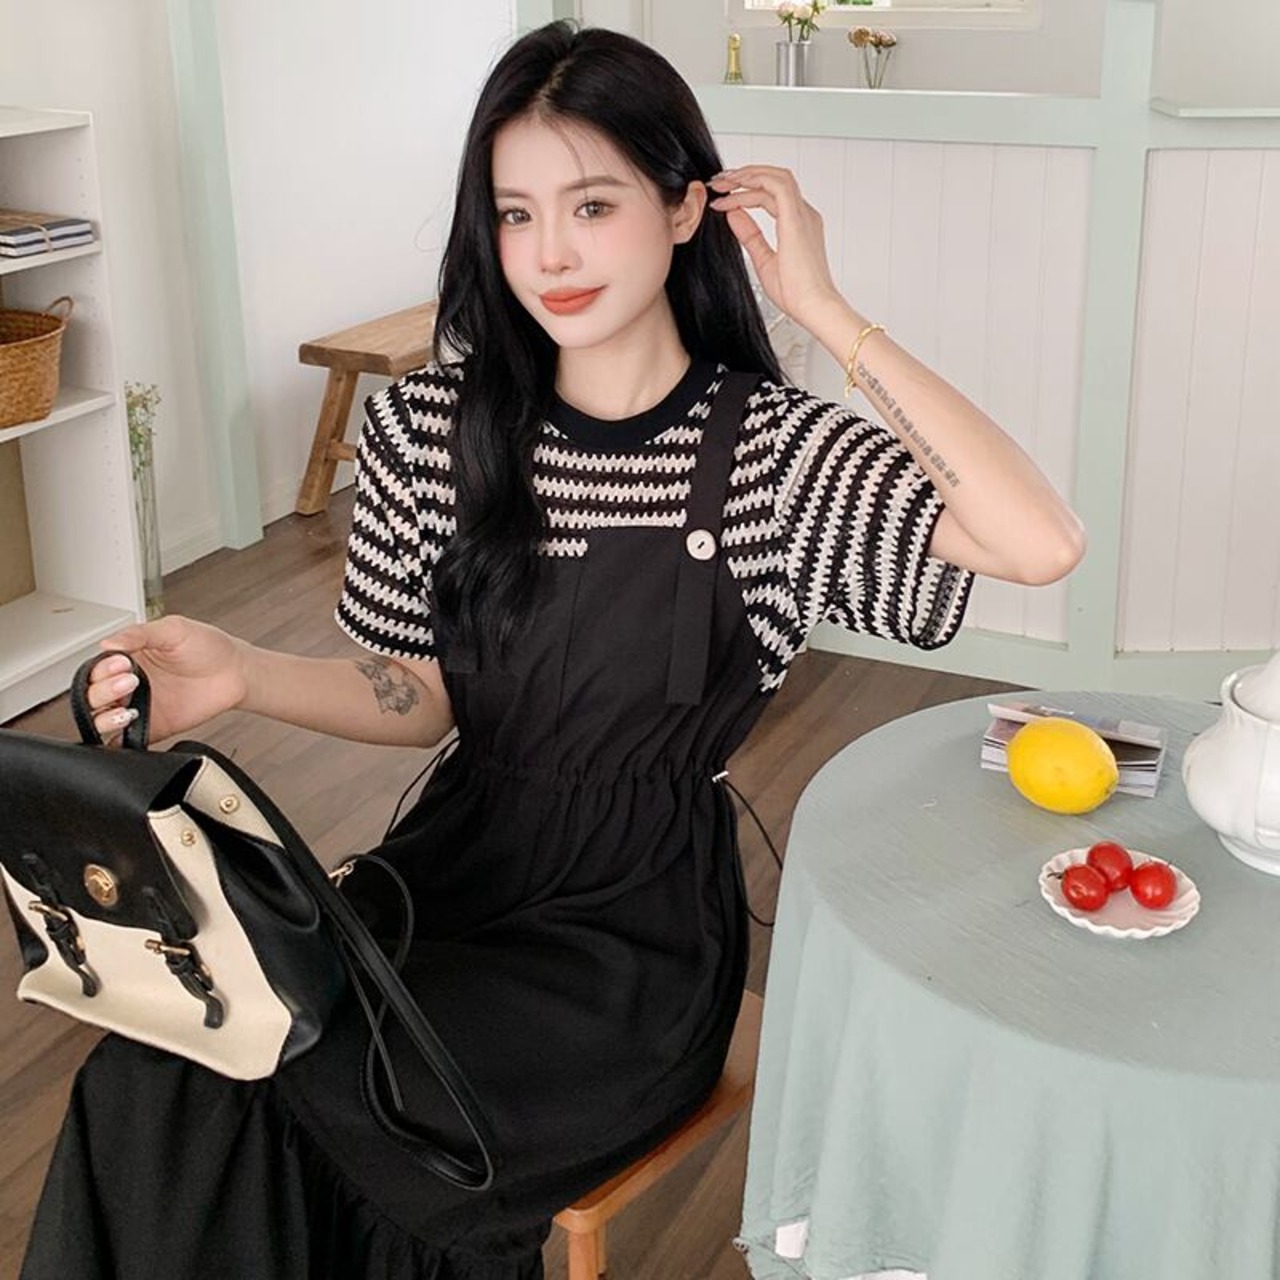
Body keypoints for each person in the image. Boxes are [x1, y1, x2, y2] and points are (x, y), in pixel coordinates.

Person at [19, 19, 1084, 1280]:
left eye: (592, 204)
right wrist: (244, 670)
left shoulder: (768, 453)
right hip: (451, 873)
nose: (551, 254)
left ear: (684, 207)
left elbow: (1034, 540)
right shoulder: (432, 430)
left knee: (366, 1107)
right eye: (516, 215)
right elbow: (423, 695)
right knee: (164, 1079)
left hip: (630, 943)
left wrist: (825, 310)